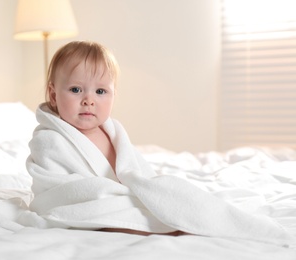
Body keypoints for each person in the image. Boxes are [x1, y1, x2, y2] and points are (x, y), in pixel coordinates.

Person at [26, 41, 292, 245]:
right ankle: (163, 227)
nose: (88, 99)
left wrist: (148, 191)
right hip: (90, 205)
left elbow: (137, 171)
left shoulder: (114, 130)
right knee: (120, 220)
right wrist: (110, 197)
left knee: (175, 197)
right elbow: (55, 190)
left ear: (113, 95)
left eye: (100, 91)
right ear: (53, 93)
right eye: (75, 89)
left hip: (125, 196)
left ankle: (199, 221)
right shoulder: (50, 139)